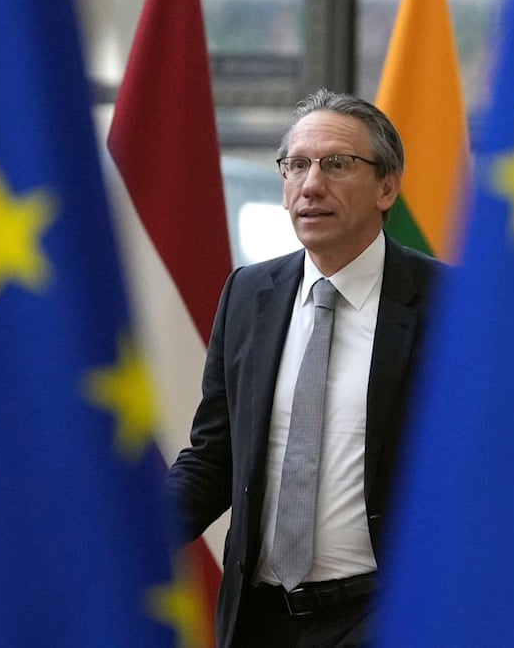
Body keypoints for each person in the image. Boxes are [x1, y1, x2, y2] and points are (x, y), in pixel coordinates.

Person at [164, 89, 449, 647]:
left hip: (381, 615)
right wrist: (127, 540)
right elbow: (214, 456)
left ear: (386, 187)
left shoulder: (447, 303)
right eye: (297, 165)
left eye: (337, 164)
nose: (311, 185)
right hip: (259, 617)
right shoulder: (248, 294)